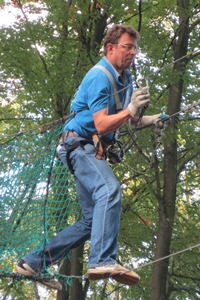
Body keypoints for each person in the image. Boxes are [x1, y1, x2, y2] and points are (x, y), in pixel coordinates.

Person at [16, 24, 168, 290]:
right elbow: (100, 124)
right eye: (127, 47)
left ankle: (33, 262)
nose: (133, 52)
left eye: (135, 47)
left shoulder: (125, 78)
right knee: (108, 191)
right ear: (111, 48)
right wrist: (130, 108)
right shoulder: (100, 76)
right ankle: (102, 260)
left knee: (89, 222)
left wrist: (150, 119)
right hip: (79, 145)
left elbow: (125, 119)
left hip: (87, 147)